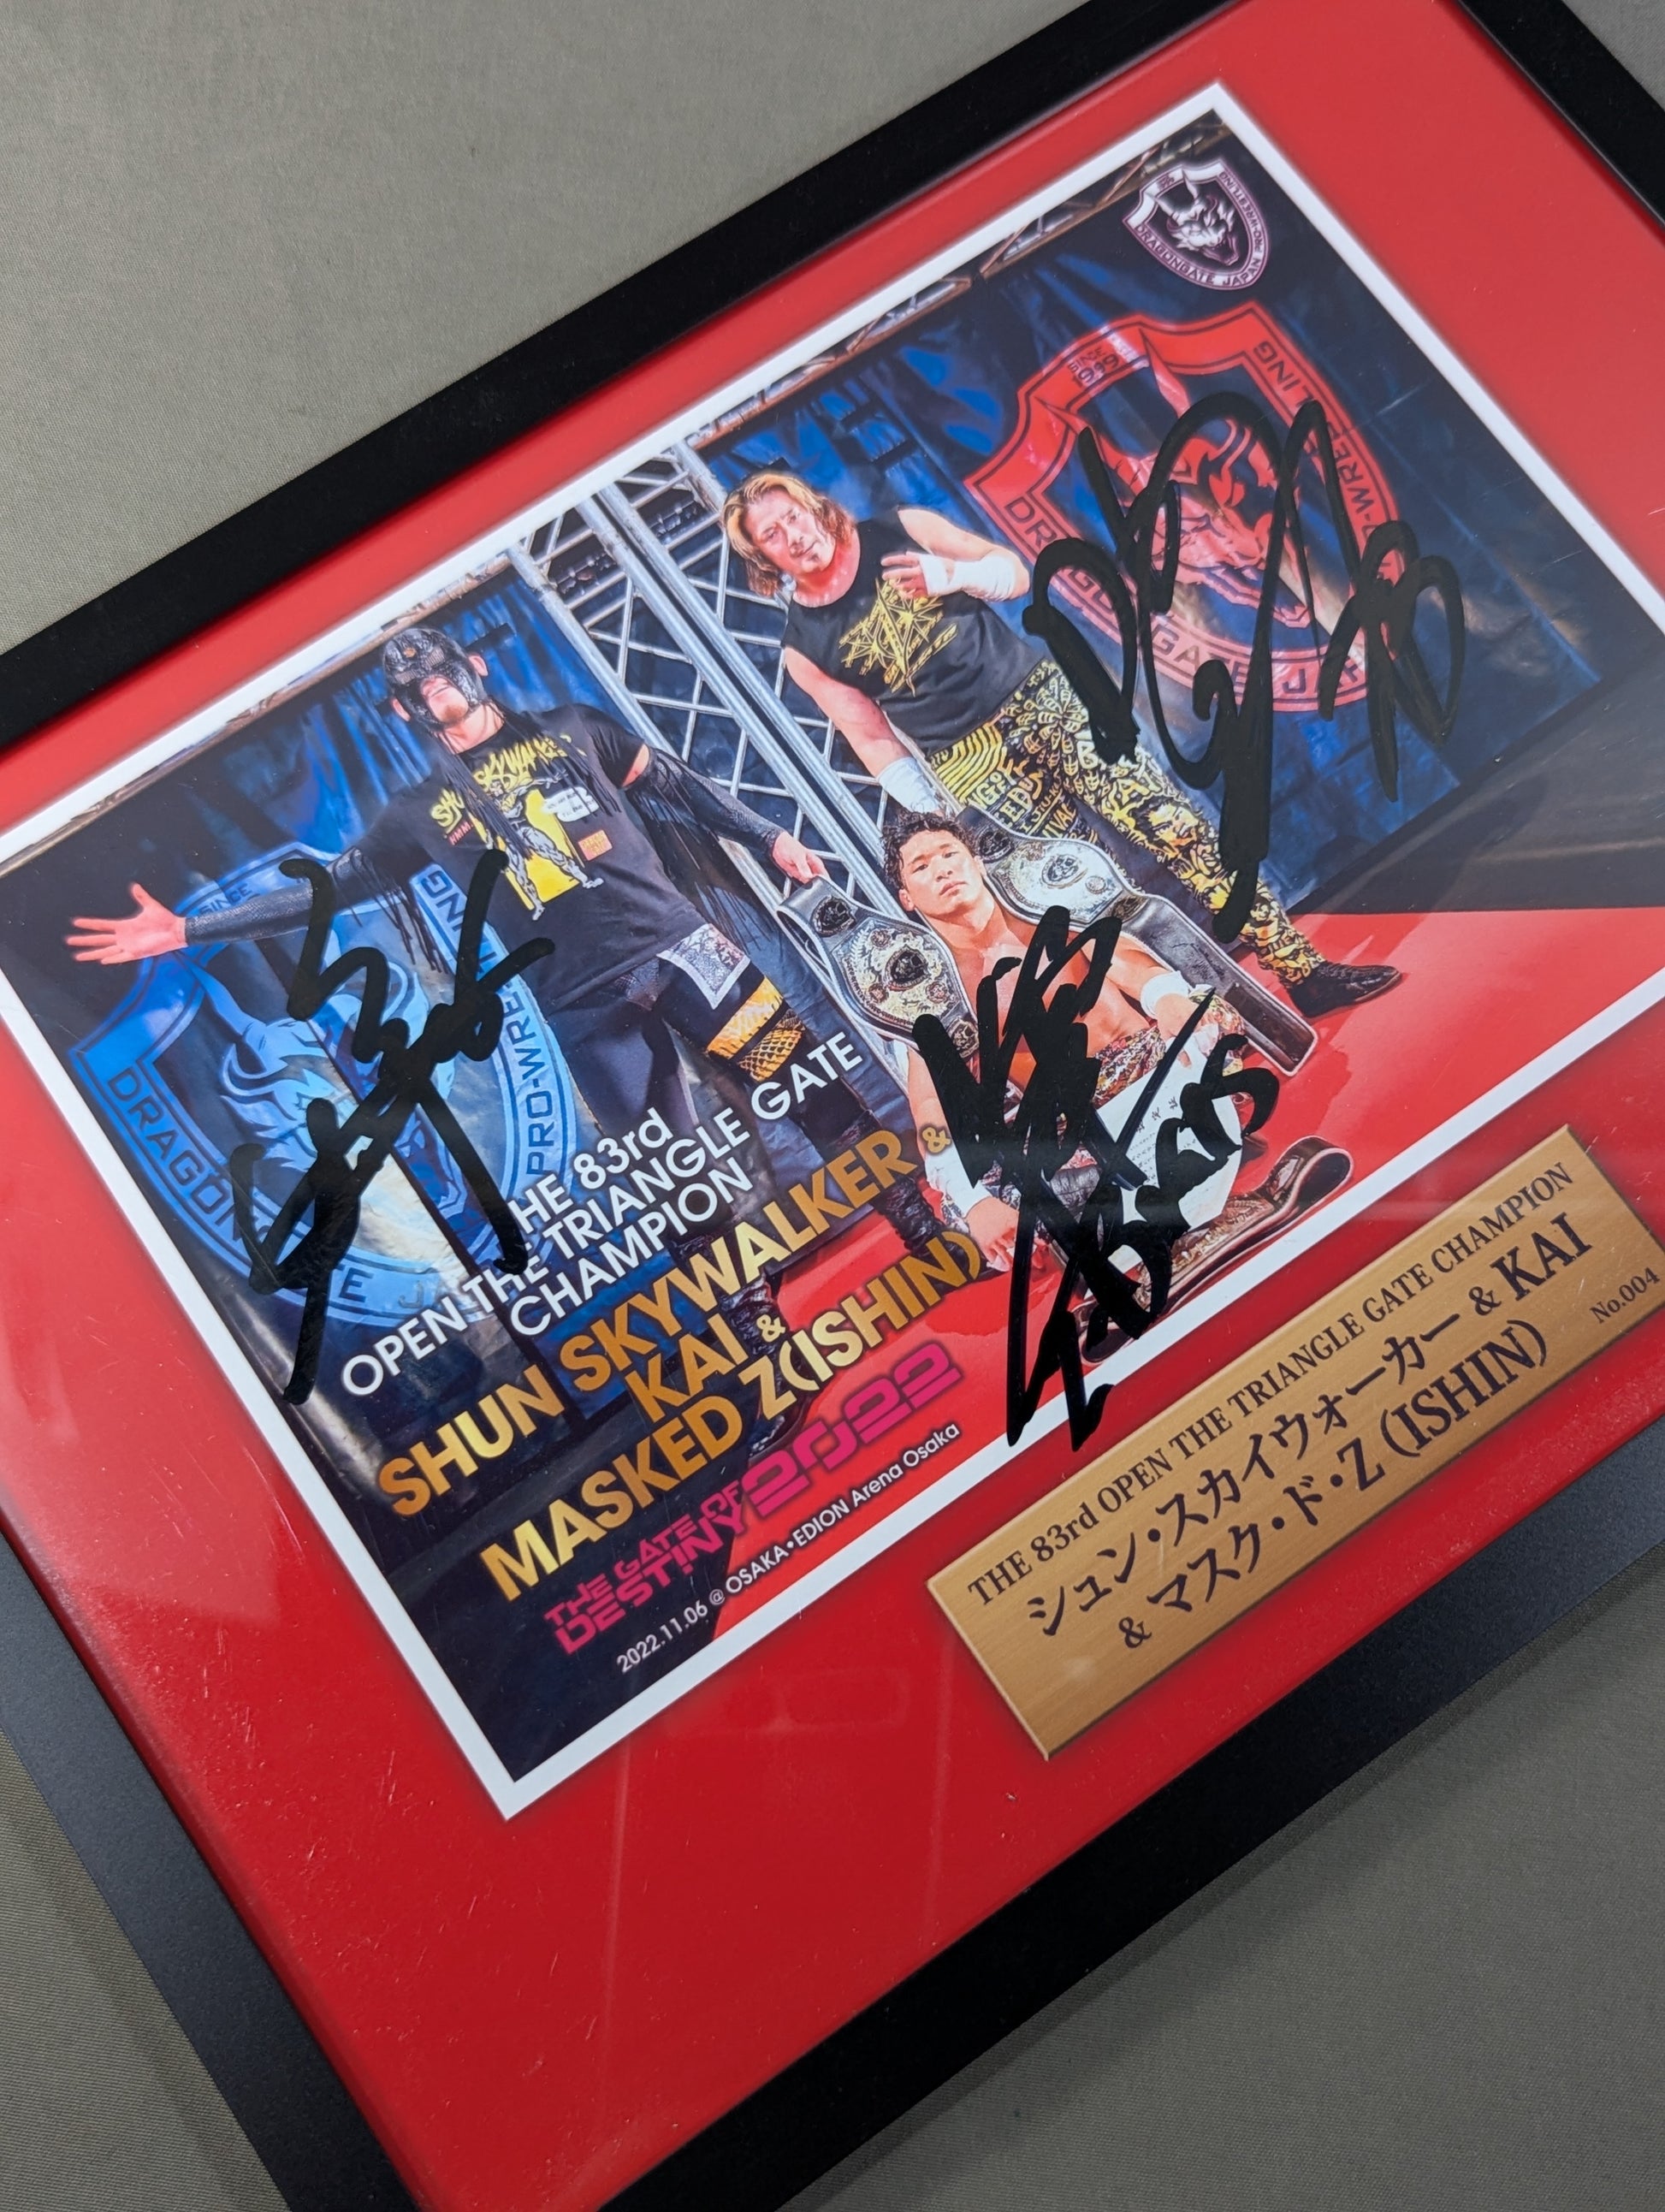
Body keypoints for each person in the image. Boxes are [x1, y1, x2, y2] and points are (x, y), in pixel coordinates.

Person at [67, 625, 944, 1327]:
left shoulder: (572, 727)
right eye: (414, 689)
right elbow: (329, 888)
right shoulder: (415, 811)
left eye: (439, 672)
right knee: (672, 1174)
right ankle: (756, 1331)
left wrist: (767, 834)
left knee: (805, 1085)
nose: (432, 689)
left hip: (683, 950)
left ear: (474, 666)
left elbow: (677, 782)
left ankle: (921, 1225)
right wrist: (188, 927)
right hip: (583, 1004)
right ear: (402, 711)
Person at [721, 470, 1397, 1019]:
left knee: (1176, 828)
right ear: (762, 557)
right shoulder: (802, 647)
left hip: (1042, 699)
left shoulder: (900, 529)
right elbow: (871, 737)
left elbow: (1012, 572)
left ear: (813, 507)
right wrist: (935, 811)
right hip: (971, 762)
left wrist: (951, 576)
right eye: (772, 534)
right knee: (1088, 895)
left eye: (793, 516)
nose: (793, 535)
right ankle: (1212, 1022)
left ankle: (1302, 970)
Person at [882, 812, 1350, 1305]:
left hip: (1150, 1078)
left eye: (950, 853)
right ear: (907, 898)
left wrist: (1167, 999)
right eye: (921, 866)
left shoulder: (1044, 909)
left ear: (977, 863)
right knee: (968, 1198)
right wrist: (976, 1202)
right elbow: (932, 1117)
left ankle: (1156, 1230)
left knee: (1204, 1014)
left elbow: (1134, 966)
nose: (942, 869)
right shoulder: (927, 998)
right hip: (1075, 1128)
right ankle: (1179, 1220)